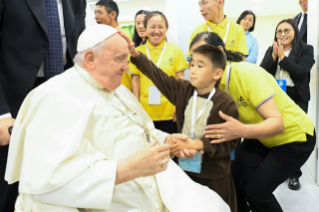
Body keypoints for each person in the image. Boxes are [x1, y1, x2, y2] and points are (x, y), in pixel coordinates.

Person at [4, 25, 231, 212]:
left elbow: (143, 130)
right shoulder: (56, 97)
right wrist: (126, 169)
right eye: (120, 59)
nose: (126, 66)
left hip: (160, 181)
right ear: (91, 58)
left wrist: (166, 141)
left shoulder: (114, 86)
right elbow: (47, 184)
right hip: (113, 198)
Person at [183, 31, 315, 212]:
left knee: (257, 192)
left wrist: (240, 131)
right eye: (193, 59)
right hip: (260, 134)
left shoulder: (247, 75)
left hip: (295, 137)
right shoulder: (210, 85)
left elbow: (277, 123)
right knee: (234, 179)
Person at [129, 39, 240, 211]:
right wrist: (136, 55)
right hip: (186, 172)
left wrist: (198, 144)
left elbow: (230, 142)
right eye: (192, 63)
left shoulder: (226, 103)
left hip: (214, 175)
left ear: (217, 74)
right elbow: (158, 75)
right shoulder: (183, 90)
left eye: (200, 66)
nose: (192, 69)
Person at [0, 1, 87, 211]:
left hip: (63, 98)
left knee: (54, 182)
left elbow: (79, 46)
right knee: (9, 184)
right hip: (13, 103)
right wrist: (1, 113)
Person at [260, 19, 315, 191]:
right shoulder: (272, 49)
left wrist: (283, 58)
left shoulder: (306, 49)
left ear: (295, 32)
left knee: (296, 136)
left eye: (286, 30)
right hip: (276, 97)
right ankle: (276, 168)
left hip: (297, 98)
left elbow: (301, 72)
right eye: (279, 31)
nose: (282, 34)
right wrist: (274, 57)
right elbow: (262, 72)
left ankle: (294, 174)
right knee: (276, 132)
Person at [130, 11, 187, 134]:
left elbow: (180, 80)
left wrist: (179, 105)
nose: (157, 31)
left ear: (166, 29)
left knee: (172, 150)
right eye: (152, 27)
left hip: (170, 113)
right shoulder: (137, 52)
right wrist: (136, 106)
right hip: (145, 113)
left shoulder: (175, 51)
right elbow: (136, 79)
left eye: (161, 27)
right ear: (145, 29)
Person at [95, 0, 132, 91]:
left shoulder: (122, 36)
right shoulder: (101, 36)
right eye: (95, 13)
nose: (96, 17)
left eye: (99, 13)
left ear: (112, 15)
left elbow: (125, 65)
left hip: (120, 89)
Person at [131, 10, 151, 99]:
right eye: (138, 23)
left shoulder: (157, 47)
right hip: (134, 94)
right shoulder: (132, 47)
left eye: (144, 23)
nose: (141, 26)